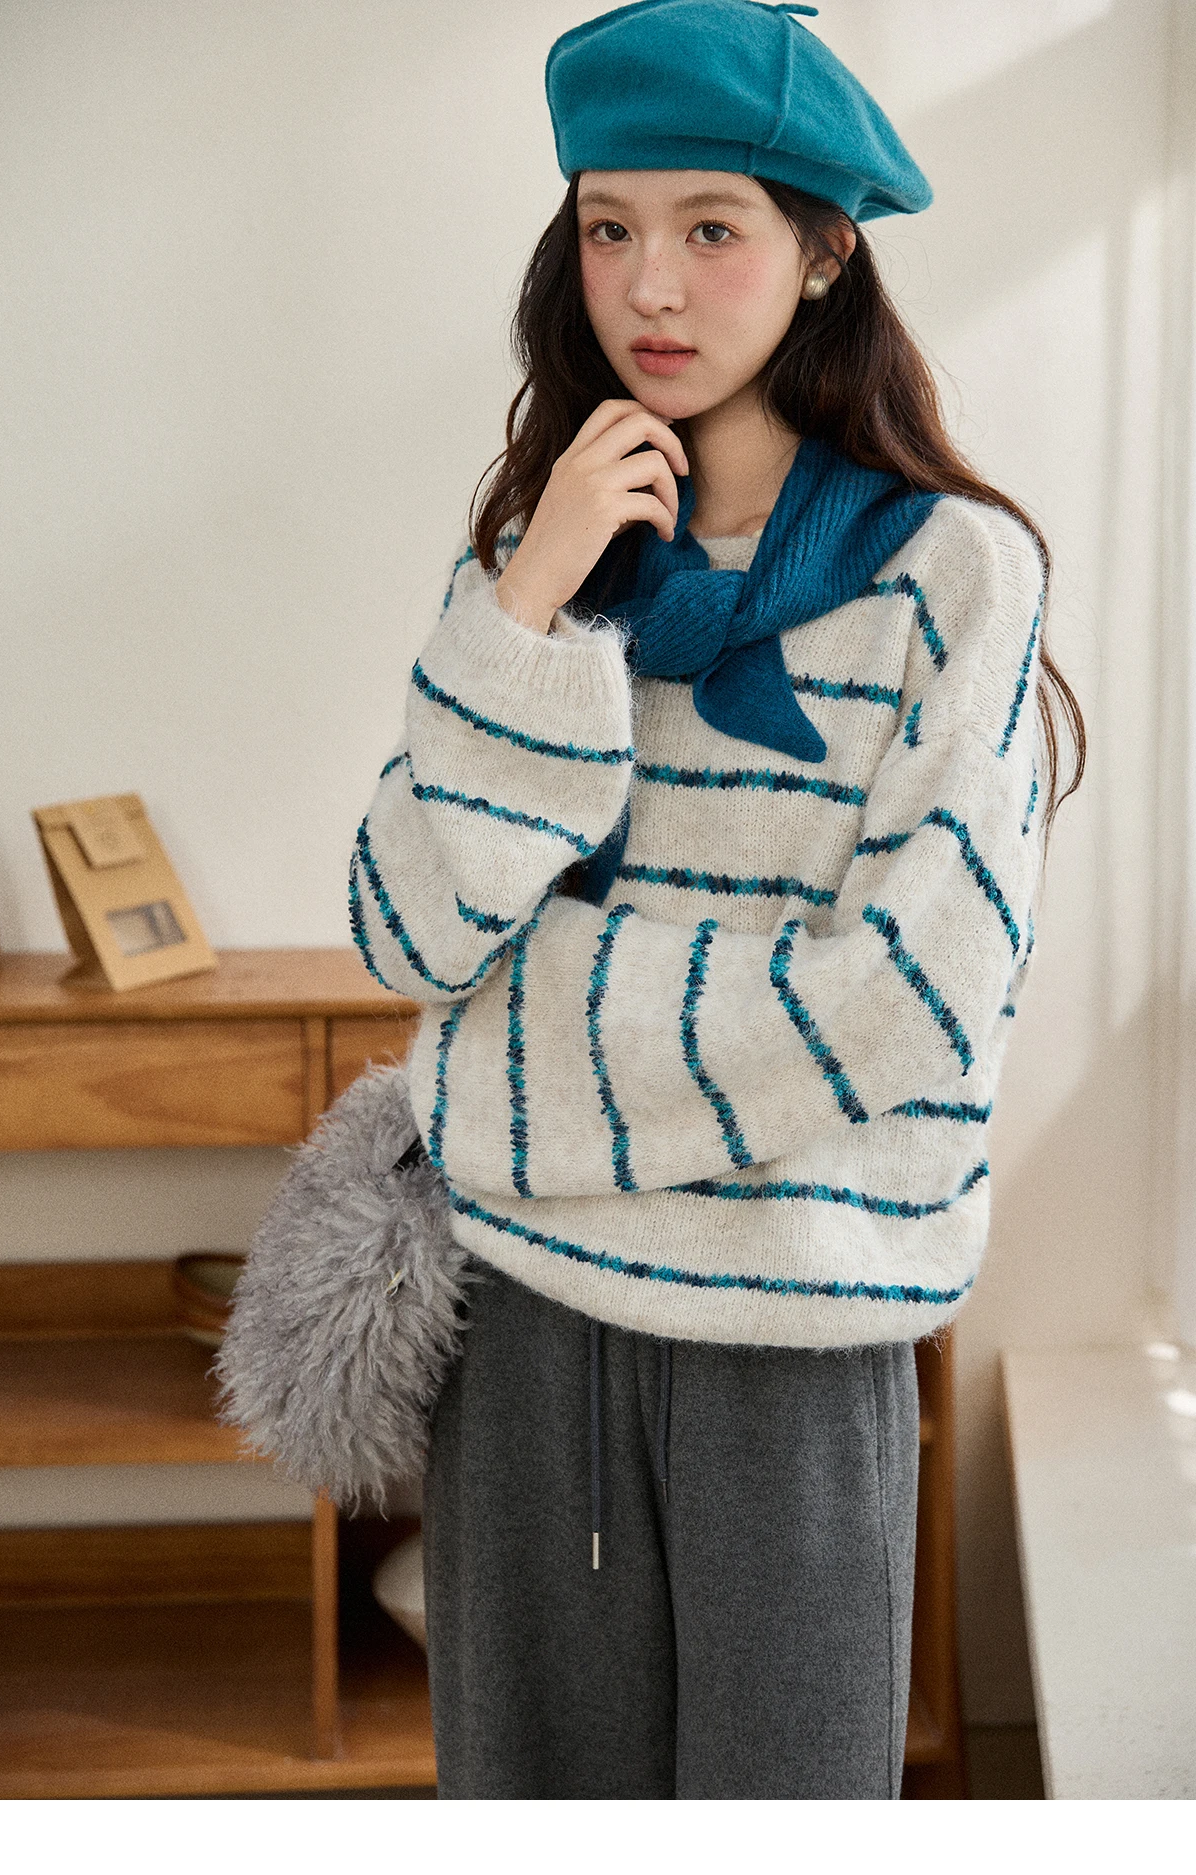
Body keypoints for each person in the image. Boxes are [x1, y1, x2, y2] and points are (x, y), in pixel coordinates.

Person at [348, 0, 1084, 1800]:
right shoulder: (532, 565)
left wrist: (506, 1067)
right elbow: (407, 931)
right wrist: (525, 604)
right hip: (528, 1329)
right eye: (610, 227)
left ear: (825, 252)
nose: (653, 287)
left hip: (794, 1345)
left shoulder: (954, 578)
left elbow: (910, 997)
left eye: (712, 227)